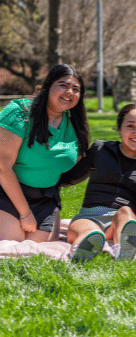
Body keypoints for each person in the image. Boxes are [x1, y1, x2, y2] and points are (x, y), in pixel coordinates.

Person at [0, 64, 89, 242]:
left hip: (45, 199)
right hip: (6, 192)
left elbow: (77, 161)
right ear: (48, 86)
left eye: (75, 89)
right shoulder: (20, 112)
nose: (69, 92)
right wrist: (25, 214)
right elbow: (2, 166)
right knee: (11, 244)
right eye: (63, 85)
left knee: (39, 251)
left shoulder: (75, 125)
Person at [63, 104, 136, 262]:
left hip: (122, 221)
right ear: (119, 130)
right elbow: (69, 178)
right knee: (90, 231)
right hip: (89, 216)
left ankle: (125, 249)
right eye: (130, 126)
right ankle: (82, 249)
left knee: (125, 212)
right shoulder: (101, 149)